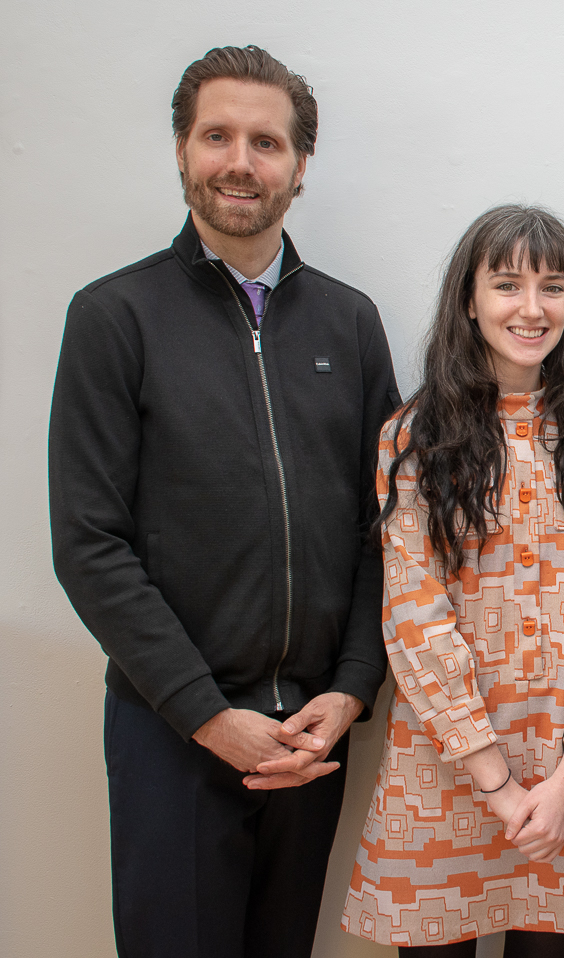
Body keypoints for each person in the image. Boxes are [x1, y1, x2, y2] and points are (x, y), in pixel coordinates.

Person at [48, 45, 400, 958]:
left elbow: (387, 530)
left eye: (266, 142)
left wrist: (352, 690)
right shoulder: (113, 317)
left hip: (311, 734)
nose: (240, 161)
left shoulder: (350, 323)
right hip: (175, 729)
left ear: (299, 166)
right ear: (181, 150)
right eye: (218, 136)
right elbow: (88, 543)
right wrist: (207, 714)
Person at [341, 205, 564, 957]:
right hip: (446, 776)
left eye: (554, 286)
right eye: (507, 284)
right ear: (469, 300)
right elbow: (414, 620)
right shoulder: (412, 439)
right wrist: (496, 783)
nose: (532, 309)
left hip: (563, 781)